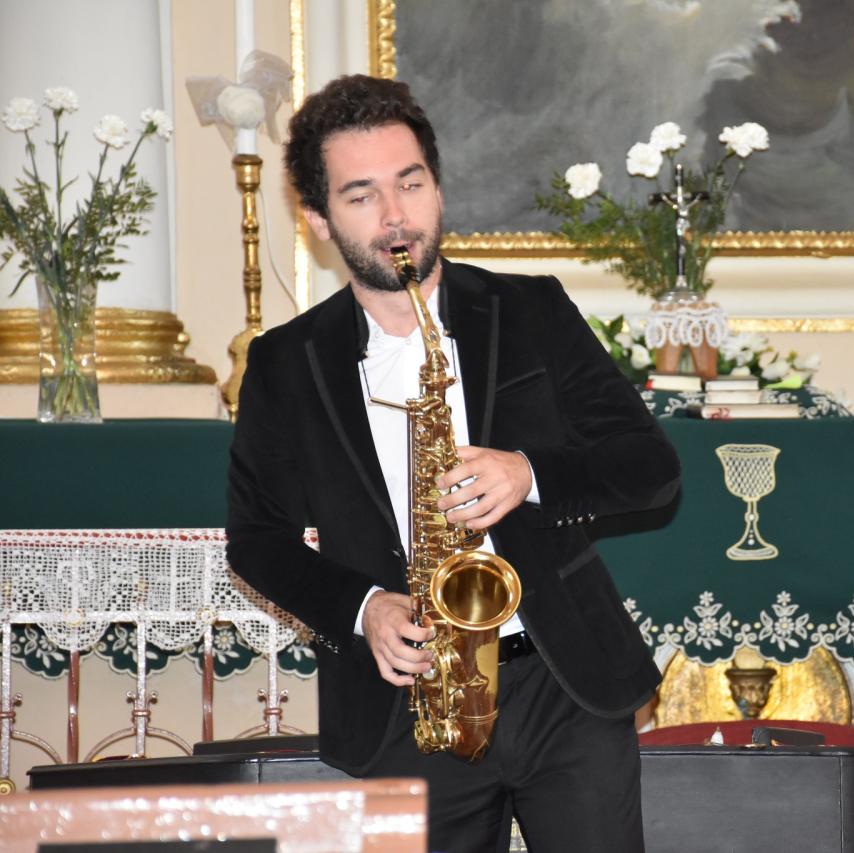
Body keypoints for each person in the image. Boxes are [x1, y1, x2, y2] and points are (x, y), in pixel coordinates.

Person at [226, 74, 680, 853]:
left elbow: (650, 466)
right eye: (362, 195)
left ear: (437, 187)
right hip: (407, 702)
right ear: (318, 219)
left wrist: (527, 473)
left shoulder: (532, 309)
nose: (395, 215)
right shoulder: (285, 363)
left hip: (563, 686)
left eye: (410, 183)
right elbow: (257, 539)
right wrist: (365, 608)